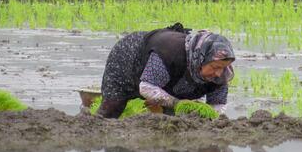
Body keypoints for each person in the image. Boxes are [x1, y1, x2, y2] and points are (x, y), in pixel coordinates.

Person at [97, 23, 235, 118]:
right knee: (112, 108)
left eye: (223, 68)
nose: (218, 73)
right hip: (129, 57)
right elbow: (146, 87)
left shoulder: (222, 73)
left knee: (174, 120)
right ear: (201, 59)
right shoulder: (170, 53)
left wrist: (208, 117)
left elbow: (217, 107)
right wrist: (178, 103)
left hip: (172, 79)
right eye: (215, 67)